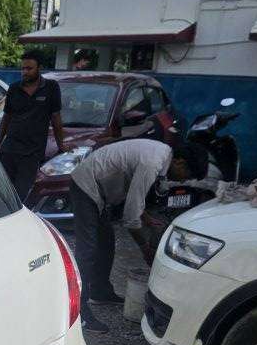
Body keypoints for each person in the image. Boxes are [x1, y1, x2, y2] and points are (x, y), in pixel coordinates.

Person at [69, 138, 209, 334]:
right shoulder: (152, 163)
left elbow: (136, 197)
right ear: (180, 162)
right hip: (86, 185)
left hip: (98, 189)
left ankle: (100, 291)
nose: (183, 181)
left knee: (106, 242)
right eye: (186, 175)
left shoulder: (161, 155)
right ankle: (77, 312)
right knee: (88, 250)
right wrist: (145, 248)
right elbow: (130, 217)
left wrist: (147, 218)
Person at [0, 50, 64, 201]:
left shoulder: (51, 88)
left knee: (20, 196)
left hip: (31, 153)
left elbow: (56, 119)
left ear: (39, 68)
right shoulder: (14, 89)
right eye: (23, 68)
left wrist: (61, 146)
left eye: (29, 68)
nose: (24, 72)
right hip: (9, 150)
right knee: (3, 194)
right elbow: (6, 117)